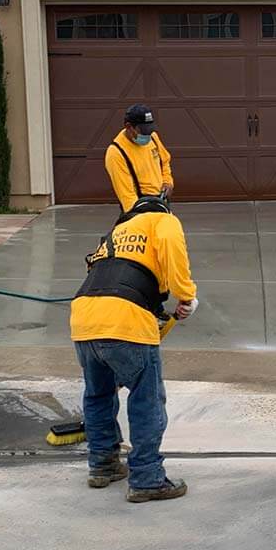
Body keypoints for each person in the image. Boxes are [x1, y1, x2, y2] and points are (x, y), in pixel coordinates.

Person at [69, 192, 199, 502]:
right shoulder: (163, 220)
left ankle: (103, 465)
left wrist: (165, 310)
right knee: (146, 399)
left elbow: (123, 278)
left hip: (84, 318)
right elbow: (171, 251)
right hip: (125, 319)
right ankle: (147, 477)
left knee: (98, 394)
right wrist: (186, 296)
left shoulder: (116, 233)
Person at [105, 103, 174, 213]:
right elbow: (127, 195)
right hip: (138, 208)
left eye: (149, 130)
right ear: (129, 127)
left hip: (161, 202)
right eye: (143, 131)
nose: (147, 135)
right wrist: (139, 218)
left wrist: (167, 182)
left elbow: (164, 161)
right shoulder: (116, 153)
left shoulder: (153, 137)